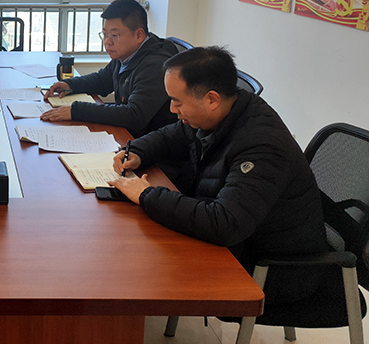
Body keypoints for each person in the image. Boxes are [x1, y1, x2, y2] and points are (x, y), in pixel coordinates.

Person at [108, 46, 327, 304]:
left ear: (211, 99)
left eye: (177, 102)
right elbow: (171, 135)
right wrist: (137, 151)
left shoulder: (261, 145)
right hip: (240, 241)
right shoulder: (222, 112)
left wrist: (147, 195)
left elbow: (225, 224)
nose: (172, 109)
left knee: (133, 264)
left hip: (270, 268)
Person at [40, 0, 177, 138]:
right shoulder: (127, 53)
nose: (107, 42)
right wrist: (70, 85)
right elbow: (103, 80)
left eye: (114, 35)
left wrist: (76, 111)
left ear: (139, 35)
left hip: (149, 142)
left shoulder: (156, 66)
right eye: (105, 34)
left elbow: (135, 115)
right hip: (128, 134)